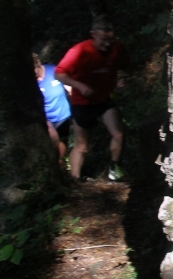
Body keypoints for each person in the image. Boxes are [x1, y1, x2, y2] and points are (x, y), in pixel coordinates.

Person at [55, 15, 131, 180]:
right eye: (103, 40)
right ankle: (74, 179)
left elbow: (126, 67)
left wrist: (124, 78)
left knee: (118, 134)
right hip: (82, 103)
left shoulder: (117, 48)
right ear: (93, 34)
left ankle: (113, 168)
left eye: (110, 40)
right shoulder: (79, 51)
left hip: (103, 100)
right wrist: (80, 86)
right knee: (82, 146)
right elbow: (59, 74)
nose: (107, 44)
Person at [33, 53, 72, 167]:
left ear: (38, 64)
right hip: (46, 118)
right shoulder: (31, 82)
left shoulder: (53, 70)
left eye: (34, 69)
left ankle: (61, 168)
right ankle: (57, 165)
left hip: (63, 115)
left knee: (63, 143)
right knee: (54, 142)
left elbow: (69, 87)